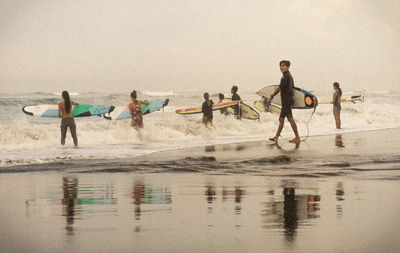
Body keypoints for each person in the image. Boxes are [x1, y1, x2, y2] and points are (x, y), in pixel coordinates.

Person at [269, 60, 301, 144]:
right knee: (282, 119)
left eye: (283, 66)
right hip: (287, 100)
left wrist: (272, 95)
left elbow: (280, 88)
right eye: (280, 66)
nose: (281, 67)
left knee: (289, 119)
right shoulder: (288, 76)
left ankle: (297, 137)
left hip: (286, 101)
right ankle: (276, 137)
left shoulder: (285, 76)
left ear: (287, 67)